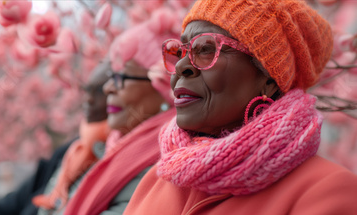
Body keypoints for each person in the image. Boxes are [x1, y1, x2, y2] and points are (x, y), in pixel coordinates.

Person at [123, 0, 357, 214]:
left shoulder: (326, 191)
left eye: (205, 49)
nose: (182, 66)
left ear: (268, 80)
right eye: (180, 51)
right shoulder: (159, 178)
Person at [33, 20, 179, 215]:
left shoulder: (163, 170)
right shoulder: (106, 149)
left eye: (120, 78)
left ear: (163, 86)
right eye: (111, 76)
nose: (108, 87)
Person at [0, 60, 111, 215]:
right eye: (87, 90)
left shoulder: (114, 161)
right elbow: (13, 203)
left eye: (99, 91)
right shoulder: (70, 152)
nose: (88, 100)